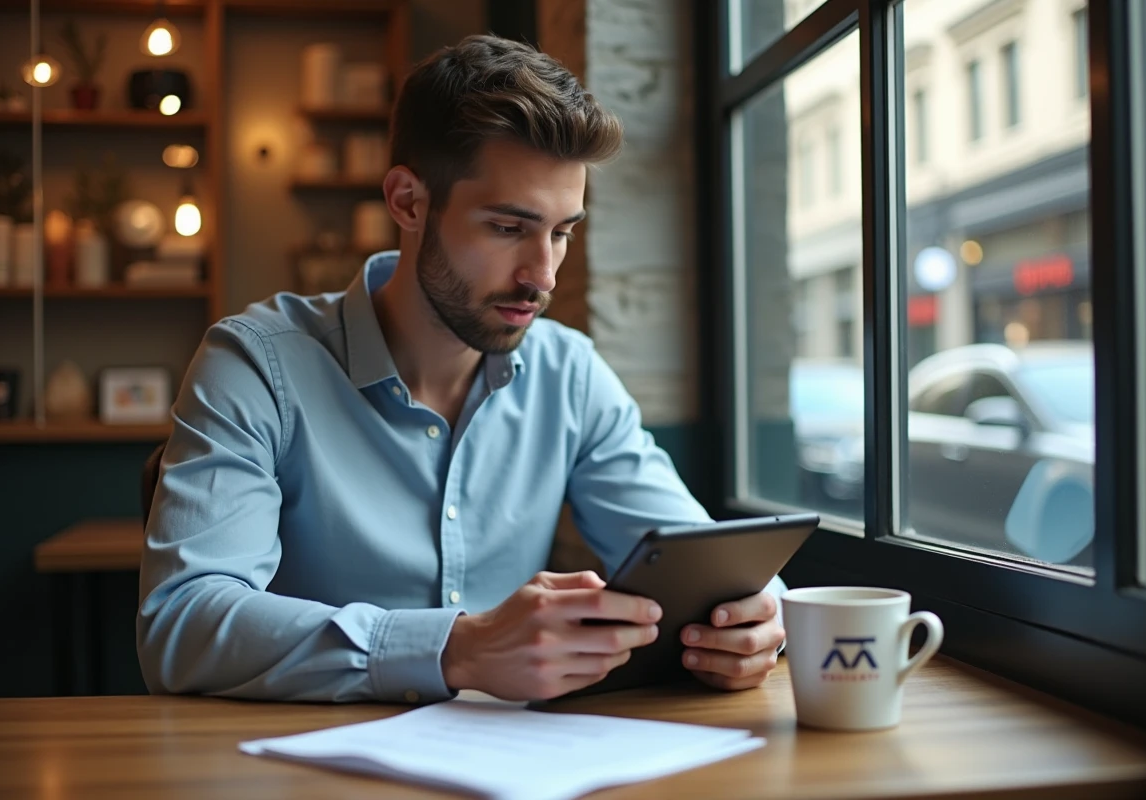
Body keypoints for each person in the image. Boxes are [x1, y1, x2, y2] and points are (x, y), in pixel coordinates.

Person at [137, 34, 786, 704]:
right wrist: (457, 649)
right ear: (408, 202)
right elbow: (181, 625)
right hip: (301, 751)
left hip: (512, 751)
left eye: (562, 232)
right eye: (508, 228)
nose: (543, 275)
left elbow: (699, 557)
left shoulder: (569, 374)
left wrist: (751, 618)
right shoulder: (255, 364)